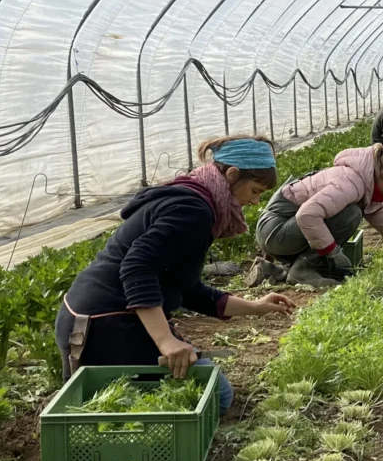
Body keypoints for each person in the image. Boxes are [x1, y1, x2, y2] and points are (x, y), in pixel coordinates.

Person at [55, 136, 296, 415]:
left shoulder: (193, 198)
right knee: (218, 395)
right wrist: (165, 341)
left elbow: (188, 288)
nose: (254, 201)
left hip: (81, 318)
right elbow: (137, 268)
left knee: (196, 386)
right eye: (254, 191)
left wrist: (254, 308)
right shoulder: (193, 210)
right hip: (103, 326)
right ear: (231, 175)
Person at [247, 144, 383, 288]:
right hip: (275, 230)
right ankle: (303, 270)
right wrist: (332, 252)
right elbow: (307, 215)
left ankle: (272, 271)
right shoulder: (350, 183)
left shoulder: (368, 189)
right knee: (350, 215)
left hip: (283, 230)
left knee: (349, 215)